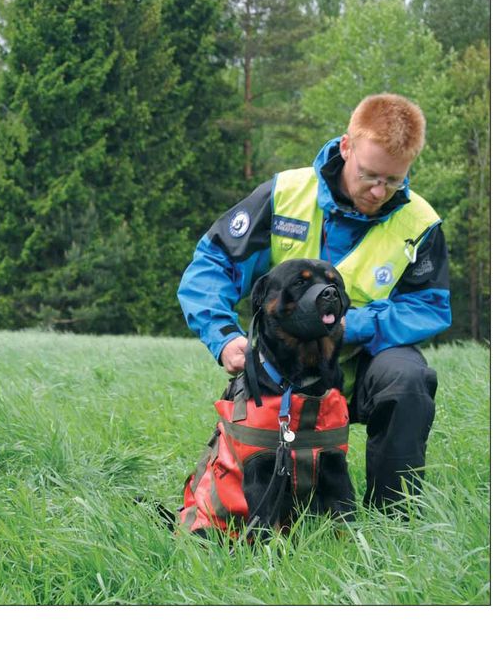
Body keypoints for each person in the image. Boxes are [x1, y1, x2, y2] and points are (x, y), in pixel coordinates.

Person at [178, 93, 451, 510]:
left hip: (360, 370)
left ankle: (394, 519)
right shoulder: (286, 194)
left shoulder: (420, 223)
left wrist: (354, 327)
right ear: (347, 147)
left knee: (409, 380)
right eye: (370, 175)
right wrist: (222, 335)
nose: (379, 191)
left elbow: (429, 306)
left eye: (393, 180)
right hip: (279, 372)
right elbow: (212, 264)